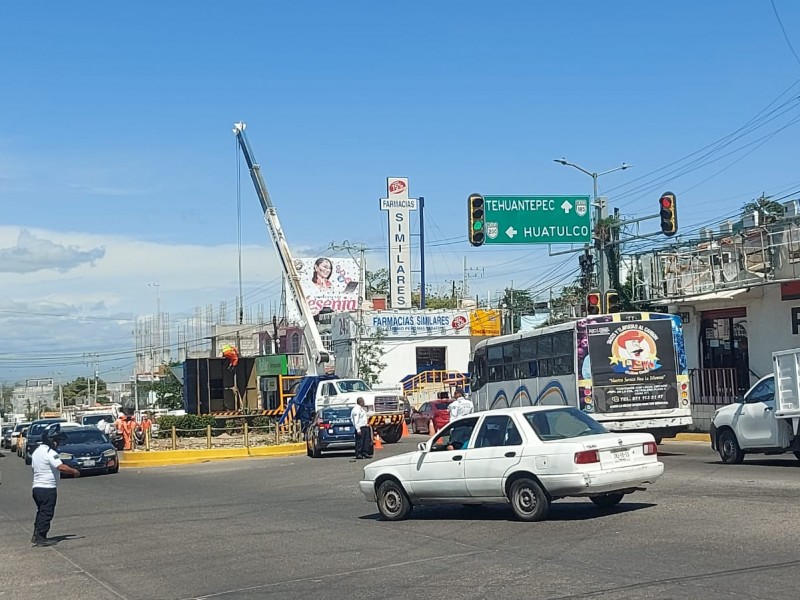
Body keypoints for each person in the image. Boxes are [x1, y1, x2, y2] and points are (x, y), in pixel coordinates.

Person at [31, 424, 80, 546]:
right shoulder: (50, 452)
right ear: (51, 440)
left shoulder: (37, 451)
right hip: (47, 488)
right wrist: (74, 471)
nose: (57, 444)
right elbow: (60, 467)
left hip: (36, 487)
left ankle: (36, 534)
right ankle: (41, 538)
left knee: (41, 511)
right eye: (56, 441)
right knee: (47, 512)